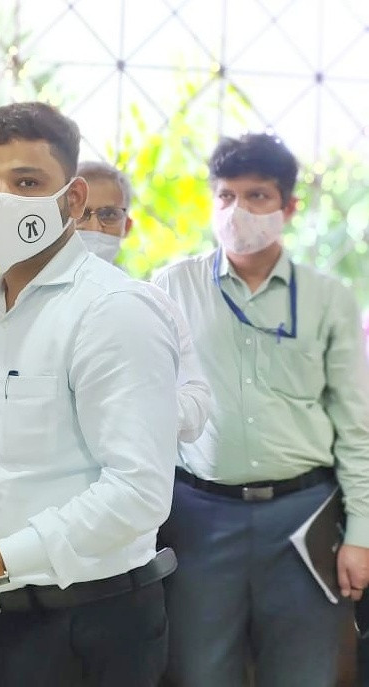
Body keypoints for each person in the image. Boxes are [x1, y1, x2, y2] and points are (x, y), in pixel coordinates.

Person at [0, 101, 181, 686]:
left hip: (96, 619)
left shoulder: (114, 311)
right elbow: (2, 445)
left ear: (72, 199)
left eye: (26, 182)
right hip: (1, 616)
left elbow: (139, 491)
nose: (1, 201)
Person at [153, 133, 369, 687]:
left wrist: (361, 532)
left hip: (303, 518)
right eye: (226, 196)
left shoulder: (328, 298)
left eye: (257, 196)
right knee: (198, 673)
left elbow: (356, 425)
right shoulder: (172, 286)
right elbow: (146, 404)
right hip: (199, 516)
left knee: (304, 674)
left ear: (288, 207)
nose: (238, 211)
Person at [74, 160, 210, 443]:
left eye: (109, 215)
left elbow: (197, 401)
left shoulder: (154, 304)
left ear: (127, 225)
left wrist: (139, 406)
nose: (94, 226)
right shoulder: (23, 304)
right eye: (82, 214)